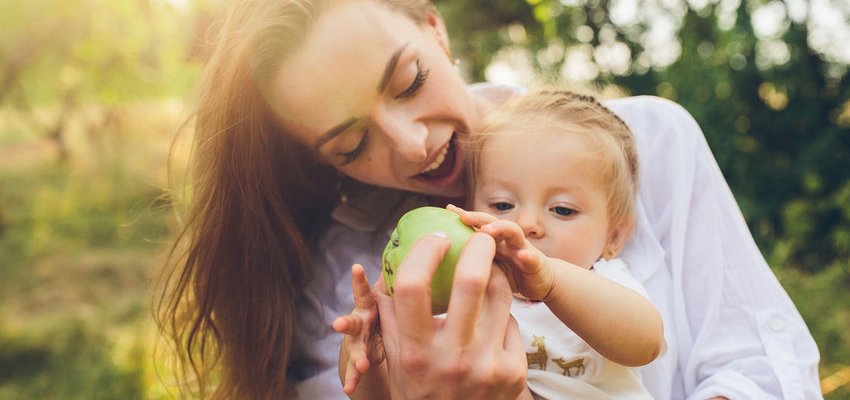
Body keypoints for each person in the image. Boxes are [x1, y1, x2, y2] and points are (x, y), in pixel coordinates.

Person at [153, 0, 823, 399]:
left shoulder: (641, 146)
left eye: (409, 80)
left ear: (434, 27)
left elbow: (758, 361)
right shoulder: (343, 284)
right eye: (351, 146)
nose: (413, 146)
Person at [335, 89, 666, 399]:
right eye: (502, 205)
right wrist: (371, 355)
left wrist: (551, 281)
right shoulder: (461, 294)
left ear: (614, 237)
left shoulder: (604, 282)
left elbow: (646, 343)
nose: (526, 224)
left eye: (562, 210)